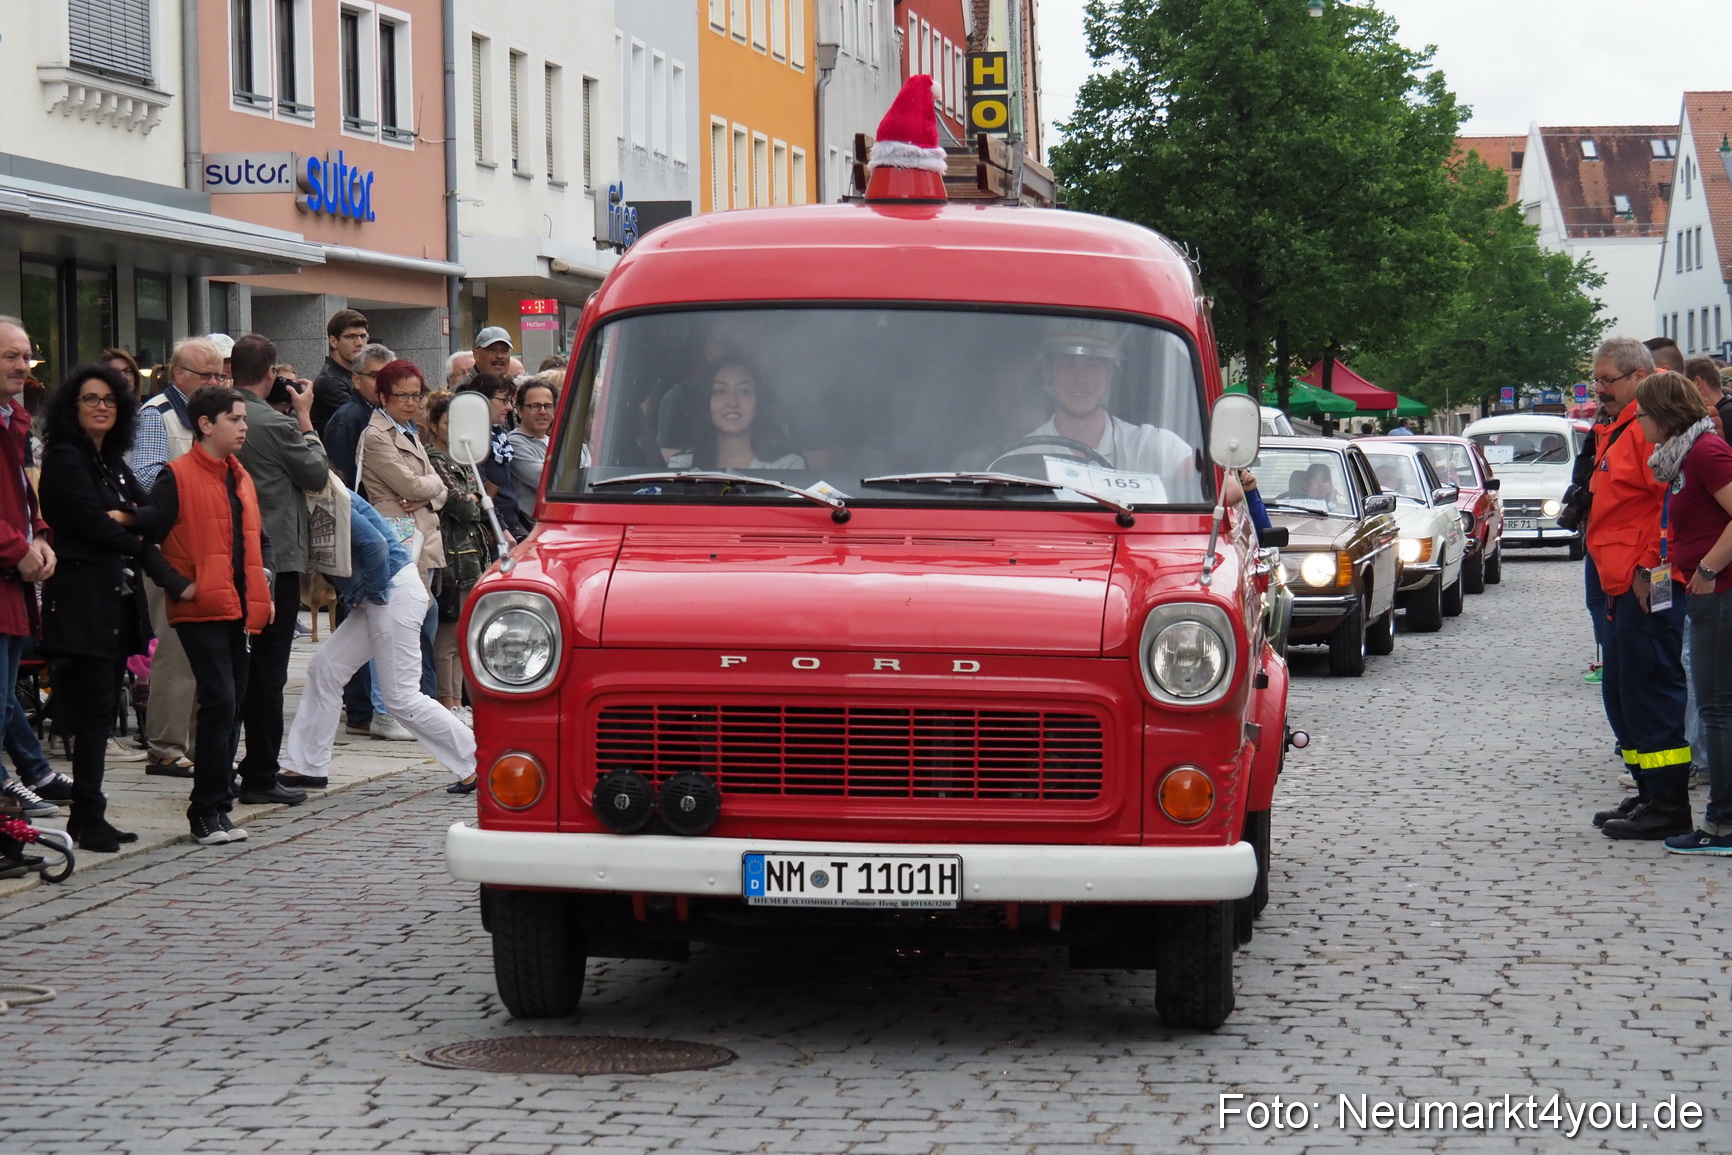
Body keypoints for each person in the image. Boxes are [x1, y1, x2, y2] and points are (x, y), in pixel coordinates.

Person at [37, 364, 178, 851]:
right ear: (72, 409)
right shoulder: (64, 459)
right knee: (93, 713)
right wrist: (135, 536)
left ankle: (89, 814)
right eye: (91, 399)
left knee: (99, 710)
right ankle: (86, 814)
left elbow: (158, 516)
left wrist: (126, 519)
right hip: (80, 602)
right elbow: (95, 529)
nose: (101, 407)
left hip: (116, 602)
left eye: (110, 401)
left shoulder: (112, 462)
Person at [135, 386, 273, 847]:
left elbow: (257, 536)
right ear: (206, 424)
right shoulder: (176, 476)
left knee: (229, 705)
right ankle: (204, 811)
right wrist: (178, 585)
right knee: (219, 702)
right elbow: (144, 536)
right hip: (201, 609)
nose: (244, 426)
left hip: (238, 608)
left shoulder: (239, 475)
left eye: (243, 418)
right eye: (235, 419)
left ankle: (217, 806)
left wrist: (264, 579)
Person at [279, 488, 476, 794]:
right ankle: (306, 766)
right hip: (383, 592)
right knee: (326, 668)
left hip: (390, 592)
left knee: (401, 696)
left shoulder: (329, 497)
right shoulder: (319, 494)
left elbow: (374, 545)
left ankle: (476, 761)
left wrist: (375, 593)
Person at [1586, 337, 1692, 841]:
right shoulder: (1621, 427)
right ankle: (1651, 791)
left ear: (1638, 377)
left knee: (1650, 687)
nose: (1599, 389)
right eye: (1598, 380)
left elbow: (1665, 510)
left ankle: (1669, 804)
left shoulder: (1646, 431)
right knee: (1626, 689)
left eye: (1608, 380)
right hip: (1619, 581)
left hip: (1643, 582)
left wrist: (1648, 571)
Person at [1633, 372, 1732, 854]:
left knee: (1717, 709)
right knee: (1716, 707)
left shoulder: (1706, 453)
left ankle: (1723, 823)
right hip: (1702, 586)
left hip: (1721, 590)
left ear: (1666, 414)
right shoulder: (1683, 458)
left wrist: (1710, 569)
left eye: (1644, 414)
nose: (1640, 422)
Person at [232, 334, 328, 807]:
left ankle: (234, 766)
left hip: (231, 554)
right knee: (269, 670)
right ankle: (261, 773)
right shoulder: (273, 421)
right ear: (271, 374)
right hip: (277, 558)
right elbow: (316, 473)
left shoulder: (220, 415)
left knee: (237, 668)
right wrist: (305, 417)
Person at [131, 336, 226, 777]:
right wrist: (194, 489)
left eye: (218, 374)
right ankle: (166, 746)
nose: (214, 380)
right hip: (169, 547)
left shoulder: (206, 416)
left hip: (206, 547)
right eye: (205, 374)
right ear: (178, 375)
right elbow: (145, 475)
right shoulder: (157, 415)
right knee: (173, 647)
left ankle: (188, 743)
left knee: (200, 649)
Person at [357, 361, 447, 702]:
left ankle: (411, 700)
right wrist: (431, 487)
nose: (410, 403)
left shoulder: (410, 430)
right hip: (399, 536)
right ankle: (390, 704)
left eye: (416, 395)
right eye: (401, 396)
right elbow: (407, 483)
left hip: (421, 532)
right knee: (402, 622)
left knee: (422, 617)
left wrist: (429, 492)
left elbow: (437, 491)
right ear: (383, 396)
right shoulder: (377, 434)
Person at [0, 319, 60, 821]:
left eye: (26, 356)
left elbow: (23, 492)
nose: (23, 366)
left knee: (5, 695)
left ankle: (31, 773)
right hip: (4, 575)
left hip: (15, 583)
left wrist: (39, 533)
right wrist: (16, 546)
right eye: (10, 357)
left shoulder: (13, 418)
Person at [1024, 324, 1193, 479]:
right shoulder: (1022, 457)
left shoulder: (1148, 447)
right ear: (1047, 371)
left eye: (1093, 365)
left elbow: (1193, 482)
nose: (1081, 379)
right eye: (1068, 365)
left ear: (1110, 374)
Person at [425, 394, 492, 721]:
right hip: (452, 558)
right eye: (447, 423)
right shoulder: (436, 458)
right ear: (434, 425)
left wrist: (475, 498)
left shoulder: (464, 458)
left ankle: (462, 701)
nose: (453, 430)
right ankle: (448, 701)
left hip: (472, 557)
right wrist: (477, 498)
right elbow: (464, 505)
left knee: (467, 636)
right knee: (449, 638)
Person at [667, 359, 805, 471]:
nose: (733, 402)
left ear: (758, 401)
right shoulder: (682, 467)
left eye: (744, 391)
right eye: (720, 391)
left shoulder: (787, 467)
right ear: (706, 402)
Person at [454, 374, 523, 534]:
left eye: (510, 401)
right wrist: (502, 530)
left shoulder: (497, 435)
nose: (509, 408)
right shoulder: (472, 440)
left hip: (510, 523)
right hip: (492, 529)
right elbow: (481, 490)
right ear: (482, 401)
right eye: (503, 401)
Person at [324, 342, 394, 483]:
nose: (382, 383)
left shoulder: (389, 412)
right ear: (356, 380)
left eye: (387, 376)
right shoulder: (348, 419)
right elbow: (343, 476)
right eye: (374, 376)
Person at [506, 377, 557, 522]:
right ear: (520, 411)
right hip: (532, 527)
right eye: (535, 406)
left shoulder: (555, 442)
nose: (542, 412)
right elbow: (547, 480)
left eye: (548, 406)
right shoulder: (514, 443)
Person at [311, 309, 371, 433]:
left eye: (363, 336)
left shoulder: (351, 375)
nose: (360, 343)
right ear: (333, 341)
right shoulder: (330, 382)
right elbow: (361, 423)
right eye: (351, 337)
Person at [1683, 356, 1732, 442]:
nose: (1684, 395)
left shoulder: (1725, 415)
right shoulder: (1725, 410)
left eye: (1686, 387)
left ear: (1698, 382)